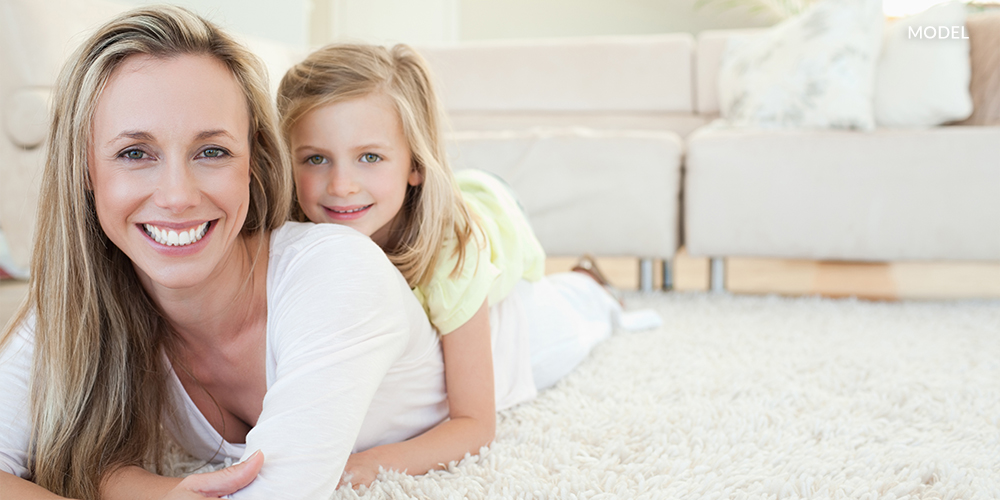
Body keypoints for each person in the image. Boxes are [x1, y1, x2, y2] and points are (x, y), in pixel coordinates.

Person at [0, 7, 453, 499]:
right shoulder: (79, 301)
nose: (177, 196)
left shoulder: (340, 271)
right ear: (85, 172)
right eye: (135, 153)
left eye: (211, 151)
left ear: (253, 162)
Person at [277, 43, 626, 487]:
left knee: (581, 321)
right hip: (449, 205)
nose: (341, 185)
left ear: (415, 165)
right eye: (316, 159)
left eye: (370, 157)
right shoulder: (296, 237)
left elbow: (475, 424)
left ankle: (591, 282)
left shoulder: (453, 251)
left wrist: (374, 461)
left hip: (495, 234)